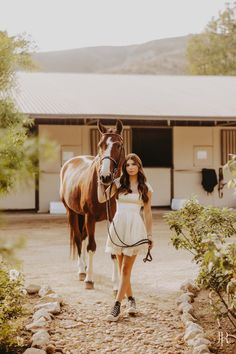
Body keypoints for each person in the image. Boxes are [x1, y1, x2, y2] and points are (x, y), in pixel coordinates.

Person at [97, 153, 154, 322]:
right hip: (118, 226)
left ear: (139, 166)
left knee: (125, 270)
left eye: (133, 164)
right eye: (128, 164)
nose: (130, 167)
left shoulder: (146, 188)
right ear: (124, 167)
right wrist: (100, 182)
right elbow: (101, 199)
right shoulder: (118, 183)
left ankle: (116, 306)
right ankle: (131, 300)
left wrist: (149, 235)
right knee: (123, 268)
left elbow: (148, 213)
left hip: (135, 228)